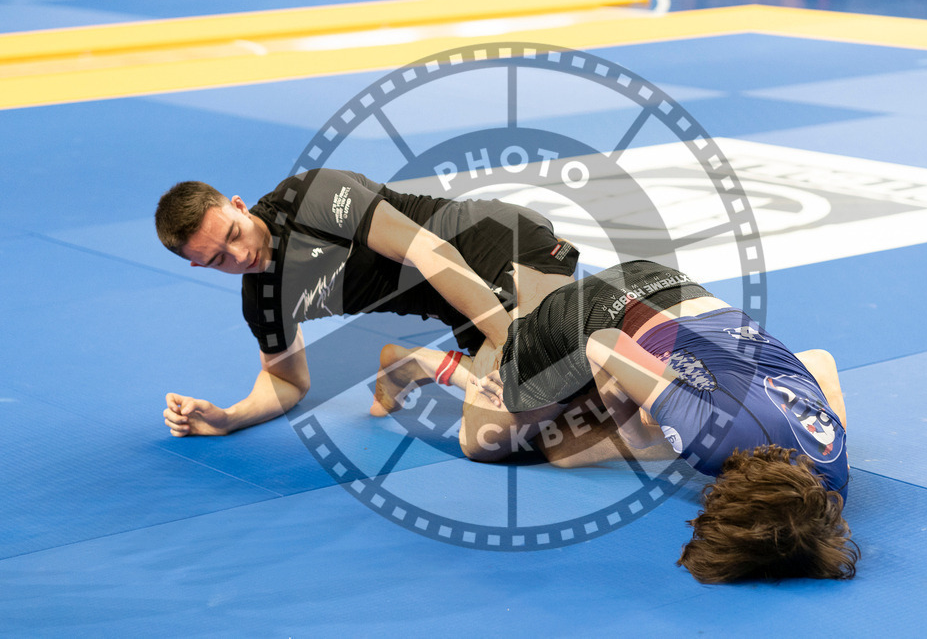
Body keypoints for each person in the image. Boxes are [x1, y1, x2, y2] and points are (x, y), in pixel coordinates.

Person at [470, 259, 859, 583]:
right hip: (603, 309)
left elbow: (820, 361)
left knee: (564, 452)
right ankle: (503, 330)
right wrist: (638, 436)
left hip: (678, 288)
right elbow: (603, 342)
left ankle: (597, 376)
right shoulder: (707, 439)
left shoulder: (832, 469)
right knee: (482, 442)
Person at [154, 167, 577, 453]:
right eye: (218, 259)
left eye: (234, 233)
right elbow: (285, 380)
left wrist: (512, 345)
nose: (240, 255)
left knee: (562, 393)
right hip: (463, 307)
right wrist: (229, 418)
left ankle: (583, 331)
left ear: (239, 206)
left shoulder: (306, 199)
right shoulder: (264, 299)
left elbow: (428, 250)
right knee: (489, 440)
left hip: (496, 244)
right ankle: (420, 364)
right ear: (198, 265)